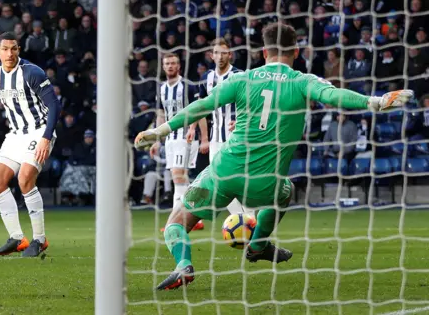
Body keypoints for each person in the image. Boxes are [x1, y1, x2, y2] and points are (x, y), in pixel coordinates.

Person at [134, 22, 413, 290]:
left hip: (225, 173)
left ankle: (184, 264)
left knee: (175, 223)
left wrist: (160, 131)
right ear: (297, 51)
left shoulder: (243, 78)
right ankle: (257, 246)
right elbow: (333, 94)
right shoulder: (303, 81)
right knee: (285, 191)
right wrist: (373, 102)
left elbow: (201, 106)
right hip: (266, 184)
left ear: (264, 52)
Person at [0, 32, 61, 257]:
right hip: (15, 134)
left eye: (14, 48)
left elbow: (54, 105)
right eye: (5, 49)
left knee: (24, 178)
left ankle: (40, 239)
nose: (9, 53)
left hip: (39, 130)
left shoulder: (32, 72)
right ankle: (17, 238)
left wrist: (46, 137)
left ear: (19, 50)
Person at [151, 53, 208, 231]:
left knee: (177, 177)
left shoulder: (188, 86)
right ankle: (195, 214)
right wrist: (156, 139)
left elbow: (199, 110)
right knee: (181, 179)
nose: (170, 66)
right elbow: (161, 115)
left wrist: (198, 133)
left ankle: (174, 221)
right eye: (167, 63)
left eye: (173, 63)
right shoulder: (161, 88)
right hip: (170, 139)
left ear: (179, 66)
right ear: (163, 66)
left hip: (185, 137)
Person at [199, 38, 250, 217]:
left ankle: (248, 219)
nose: (220, 57)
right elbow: (201, 109)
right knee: (220, 182)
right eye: (217, 53)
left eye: (224, 53)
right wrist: (204, 138)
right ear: (211, 56)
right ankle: (245, 220)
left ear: (230, 54)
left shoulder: (240, 76)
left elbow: (252, 104)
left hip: (237, 137)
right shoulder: (206, 78)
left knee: (238, 181)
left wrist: (242, 120)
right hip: (215, 139)